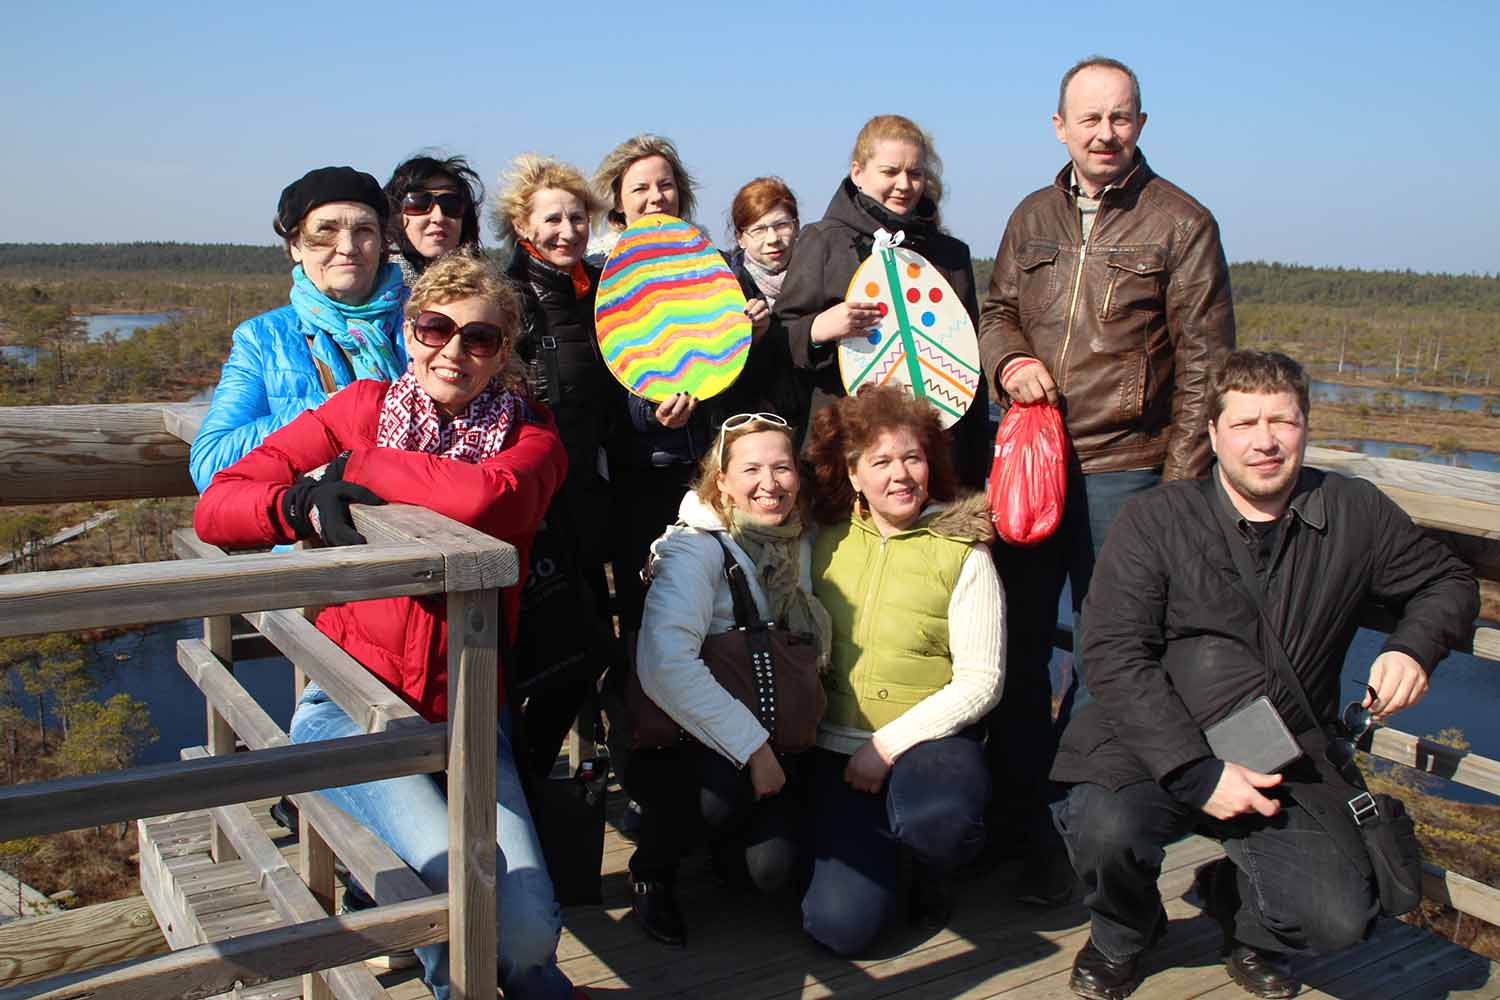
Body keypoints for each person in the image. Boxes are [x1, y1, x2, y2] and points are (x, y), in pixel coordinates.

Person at [193, 253, 585, 1000]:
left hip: (469, 712)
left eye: (480, 338)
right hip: (350, 709)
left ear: (503, 351)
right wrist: (297, 506)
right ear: (408, 332)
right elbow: (217, 505)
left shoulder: (533, 438)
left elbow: (484, 499)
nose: (454, 351)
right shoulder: (361, 406)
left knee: (529, 934)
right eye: (435, 328)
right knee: (455, 900)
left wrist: (356, 467)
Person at [1051, 351, 1477, 1000]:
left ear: (1306, 426)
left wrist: (1413, 649)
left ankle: (1244, 914)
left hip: (1285, 747)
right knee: (1102, 827)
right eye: (1245, 423)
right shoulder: (1156, 520)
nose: (1265, 441)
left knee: (1338, 918)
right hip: (1157, 735)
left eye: (1282, 421)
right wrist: (1196, 772)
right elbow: (1113, 652)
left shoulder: (1352, 511)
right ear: (1214, 433)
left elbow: (1447, 581)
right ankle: (1124, 933)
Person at [975, 56, 1236, 903]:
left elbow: (1206, 368)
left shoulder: (1181, 222)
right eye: (1088, 118)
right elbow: (996, 311)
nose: (1104, 133)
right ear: (1059, 127)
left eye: (1120, 117)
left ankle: (1071, 833)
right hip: (1031, 464)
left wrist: (1179, 492)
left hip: (1128, 473)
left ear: (1141, 124)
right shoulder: (1031, 214)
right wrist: (1009, 361)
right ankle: (1014, 821)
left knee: (1106, 659)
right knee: (1012, 648)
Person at [799, 385, 1005, 955]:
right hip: (835, 749)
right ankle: (884, 866)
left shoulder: (963, 548)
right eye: (881, 461)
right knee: (839, 927)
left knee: (938, 822)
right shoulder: (821, 538)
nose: (900, 475)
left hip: (927, 746)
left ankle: (932, 867)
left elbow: (982, 680)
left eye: (912, 457)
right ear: (853, 472)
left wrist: (886, 747)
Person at [624, 412, 832, 945]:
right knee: (712, 804)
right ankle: (653, 870)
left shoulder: (796, 540)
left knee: (770, 870)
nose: (770, 483)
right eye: (752, 470)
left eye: (782, 467)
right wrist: (754, 750)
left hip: (774, 725)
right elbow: (665, 665)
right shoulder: (695, 549)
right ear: (722, 481)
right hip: (690, 739)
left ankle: (726, 849)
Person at [775, 114, 990, 486]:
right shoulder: (822, 241)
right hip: (841, 456)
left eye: (915, 173)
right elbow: (776, 343)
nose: (904, 185)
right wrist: (818, 329)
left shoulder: (951, 255)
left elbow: (971, 363)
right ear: (858, 172)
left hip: (931, 459)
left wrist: (971, 470)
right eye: (890, 171)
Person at [492, 152, 618, 774]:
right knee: (549, 653)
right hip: (535, 505)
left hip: (588, 496)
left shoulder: (603, 290)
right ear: (522, 225)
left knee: (586, 648)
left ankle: (529, 780)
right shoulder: (509, 298)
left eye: (577, 218)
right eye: (552, 219)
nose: (567, 231)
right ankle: (513, 781)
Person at [189, 166, 408, 491]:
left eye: (364, 230)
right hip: (317, 520)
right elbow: (211, 464)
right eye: (326, 231)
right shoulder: (262, 339)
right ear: (295, 245)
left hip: (424, 517)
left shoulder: (431, 323)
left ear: (381, 243)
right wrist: (334, 409)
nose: (347, 246)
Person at [590, 134, 716, 635]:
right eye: (640, 188)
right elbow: (602, 378)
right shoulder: (599, 275)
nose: (655, 197)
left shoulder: (710, 266)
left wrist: (750, 328)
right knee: (645, 606)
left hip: (706, 464)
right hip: (638, 473)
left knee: (707, 605)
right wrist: (648, 412)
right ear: (618, 203)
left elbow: (724, 359)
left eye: (665, 185)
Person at [725, 176, 807, 426]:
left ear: (797, 226)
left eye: (782, 225)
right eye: (759, 230)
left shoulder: (820, 278)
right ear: (740, 238)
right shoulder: (728, 289)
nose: (773, 239)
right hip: (751, 425)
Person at [384, 153, 484, 284]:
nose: (439, 217)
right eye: (419, 203)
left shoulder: (491, 291)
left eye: (450, 204)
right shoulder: (368, 286)